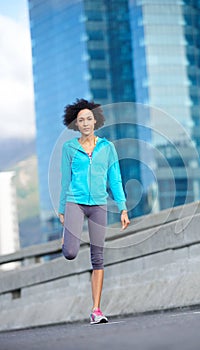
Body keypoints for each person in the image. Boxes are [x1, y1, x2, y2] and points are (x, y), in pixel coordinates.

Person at [58, 99, 130, 324]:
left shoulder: (107, 147)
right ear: (75, 125)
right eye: (81, 120)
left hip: (99, 205)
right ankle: (67, 238)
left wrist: (123, 207)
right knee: (70, 252)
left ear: (96, 120)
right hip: (75, 202)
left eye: (89, 119)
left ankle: (96, 310)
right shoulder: (69, 148)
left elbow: (115, 178)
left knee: (97, 258)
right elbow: (65, 180)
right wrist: (62, 210)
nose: (86, 123)